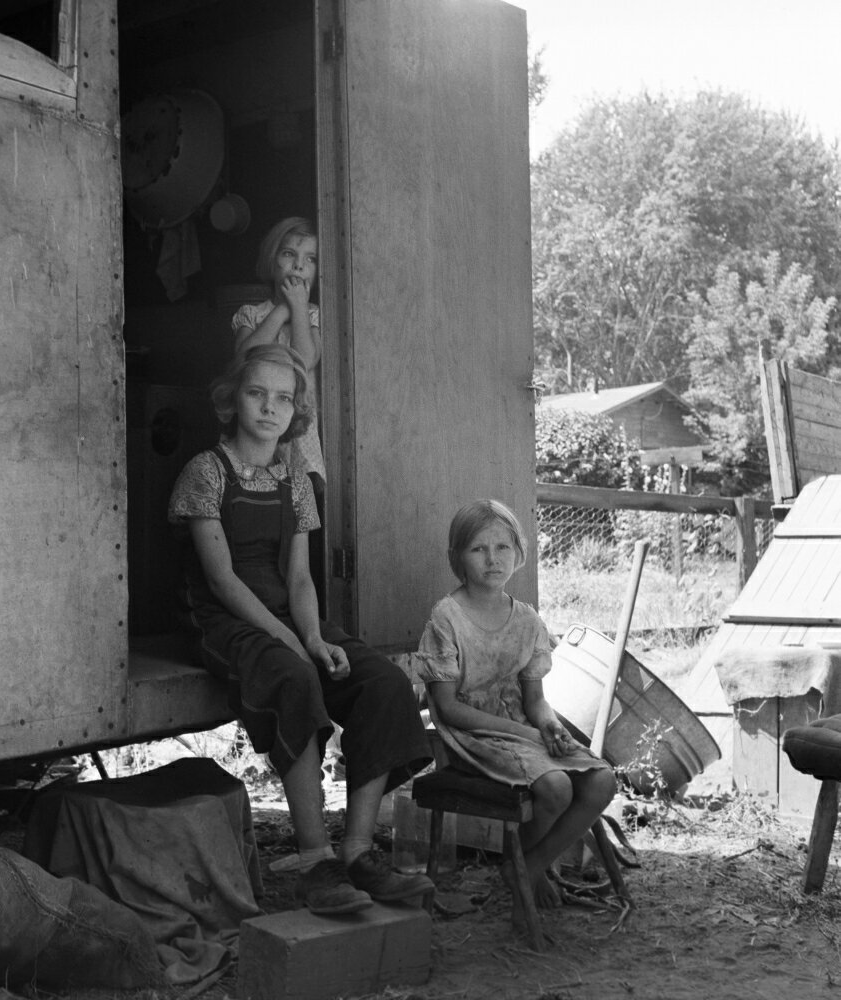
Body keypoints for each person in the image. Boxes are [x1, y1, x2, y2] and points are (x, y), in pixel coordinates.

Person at [168, 343, 433, 915]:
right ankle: (317, 862)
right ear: (232, 399)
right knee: (294, 678)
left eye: (283, 398)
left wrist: (314, 637)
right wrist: (293, 645)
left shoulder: (293, 481)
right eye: (256, 393)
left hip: (289, 615)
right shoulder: (204, 472)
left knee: (380, 681)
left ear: (296, 411)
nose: (269, 408)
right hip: (220, 618)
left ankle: (359, 851)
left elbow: (300, 577)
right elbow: (222, 582)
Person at [417, 499, 616, 908]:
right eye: (478, 549)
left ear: (519, 552)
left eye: (503, 548)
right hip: (471, 736)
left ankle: (527, 865)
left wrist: (549, 726)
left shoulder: (527, 620)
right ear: (457, 557)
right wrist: (525, 732)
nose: (493, 560)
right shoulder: (447, 618)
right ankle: (524, 867)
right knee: (557, 787)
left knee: (602, 780)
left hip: (522, 732)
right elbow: (449, 709)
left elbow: (536, 701)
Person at [231, 217, 325, 490]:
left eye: (310, 259)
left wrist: (298, 308)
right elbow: (245, 358)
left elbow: (306, 360)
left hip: (299, 426)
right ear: (272, 262)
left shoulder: (313, 315)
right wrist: (283, 308)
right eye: (289, 254)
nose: (298, 265)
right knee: (257, 487)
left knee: (300, 493)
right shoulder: (251, 313)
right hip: (259, 417)